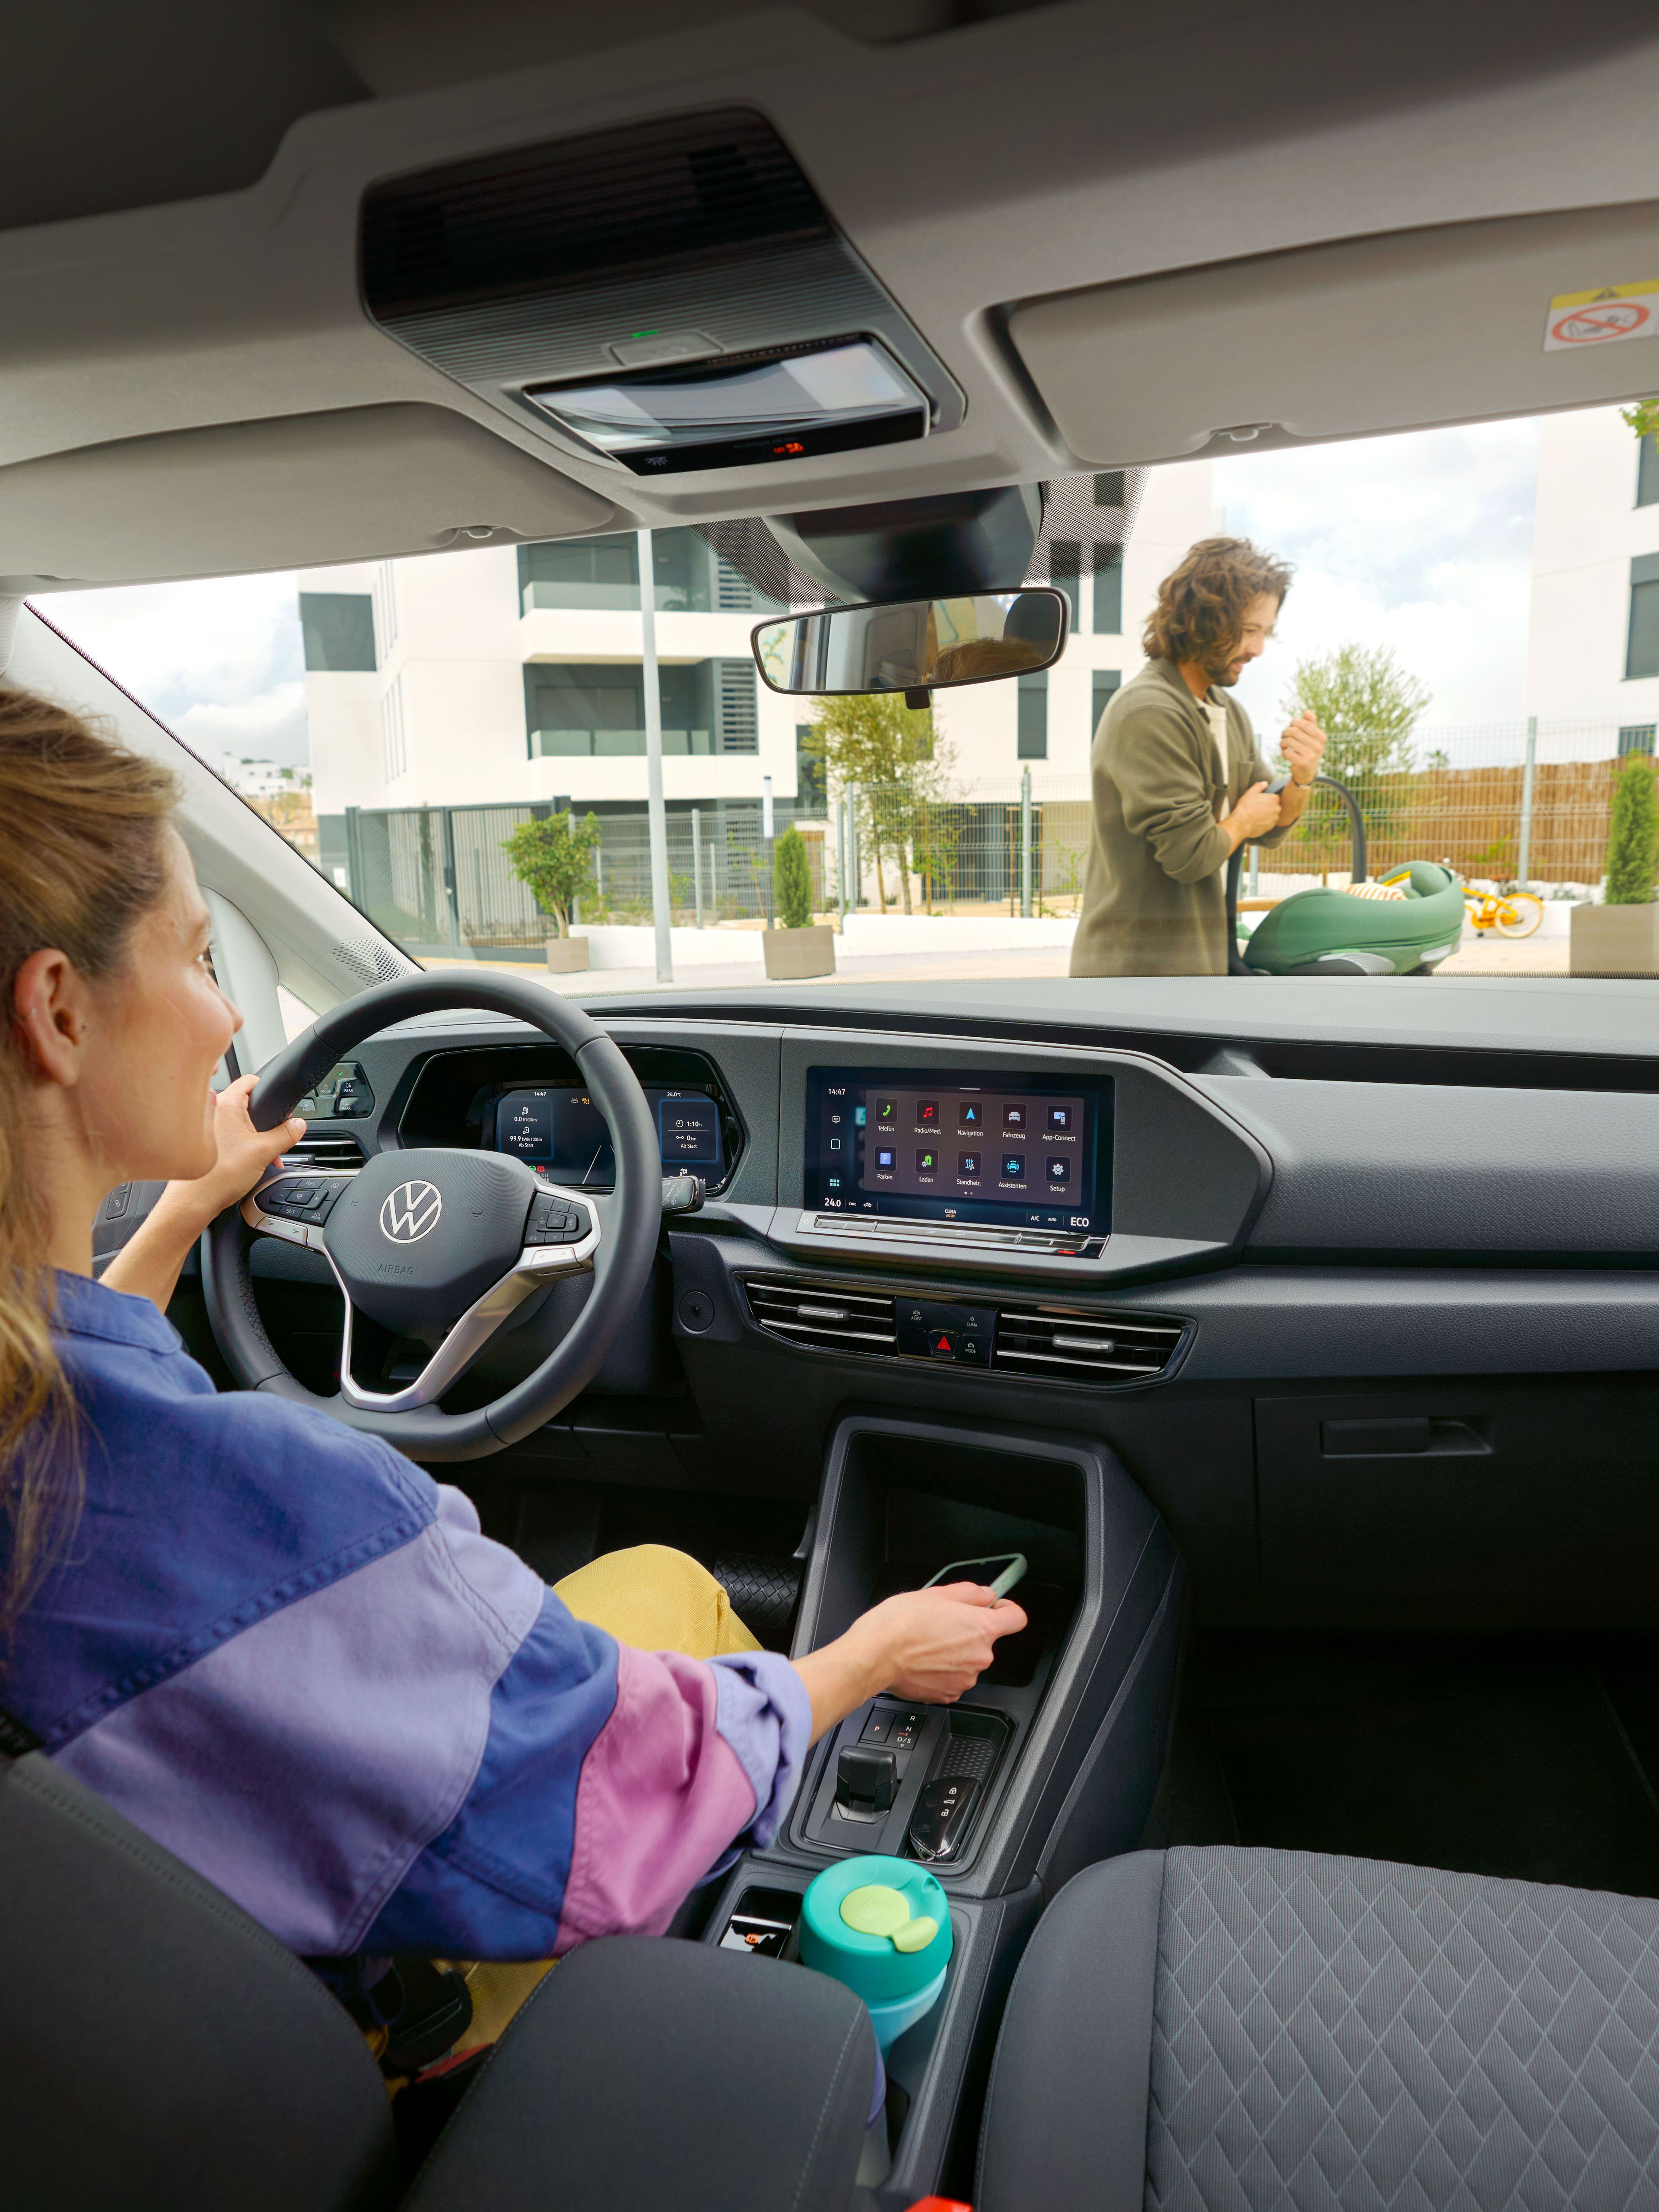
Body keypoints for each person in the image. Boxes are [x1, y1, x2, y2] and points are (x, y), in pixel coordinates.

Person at [0, 690, 1027, 2038]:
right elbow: (612, 1786)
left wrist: (189, 1210)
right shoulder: (284, 1511)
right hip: (344, 2034)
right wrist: (869, 1653)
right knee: (674, 1586)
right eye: (199, 957)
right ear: (59, 1012)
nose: (223, 1015)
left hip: (113, 2012)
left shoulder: (52, 1420)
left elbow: (72, 1367)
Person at [1069, 537, 1327, 976]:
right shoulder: (1148, 712)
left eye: (1265, 632)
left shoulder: (1227, 711)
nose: (1258, 649)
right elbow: (1190, 856)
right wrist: (1242, 821)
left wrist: (1302, 777)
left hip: (1195, 969)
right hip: (1135, 977)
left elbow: (1271, 824)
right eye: (1249, 630)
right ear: (1203, 621)